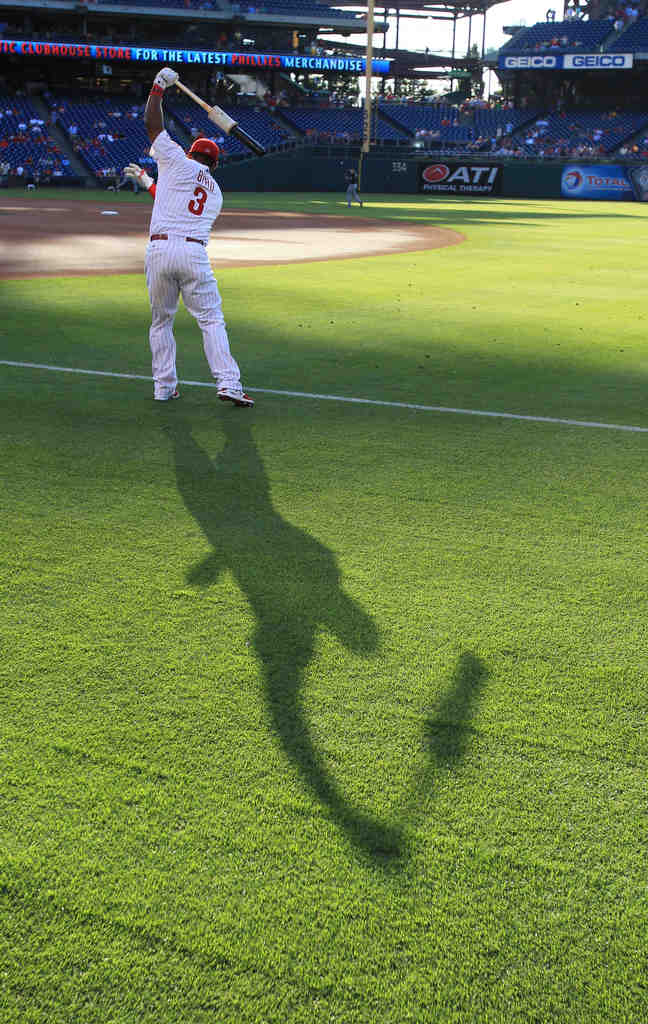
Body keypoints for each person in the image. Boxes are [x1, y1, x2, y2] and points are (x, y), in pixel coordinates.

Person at [139, 67, 253, 406]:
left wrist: (158, 87)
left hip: (159, 250)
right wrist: (150, 184)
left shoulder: (175, 160)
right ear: (214, 165)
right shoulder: (216, 193)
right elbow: (178, 198)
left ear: (190, 153)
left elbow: (153, 125)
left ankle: (163, 387)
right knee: (211, 319)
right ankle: (229, 383)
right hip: (193, 253)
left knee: (161, 321)